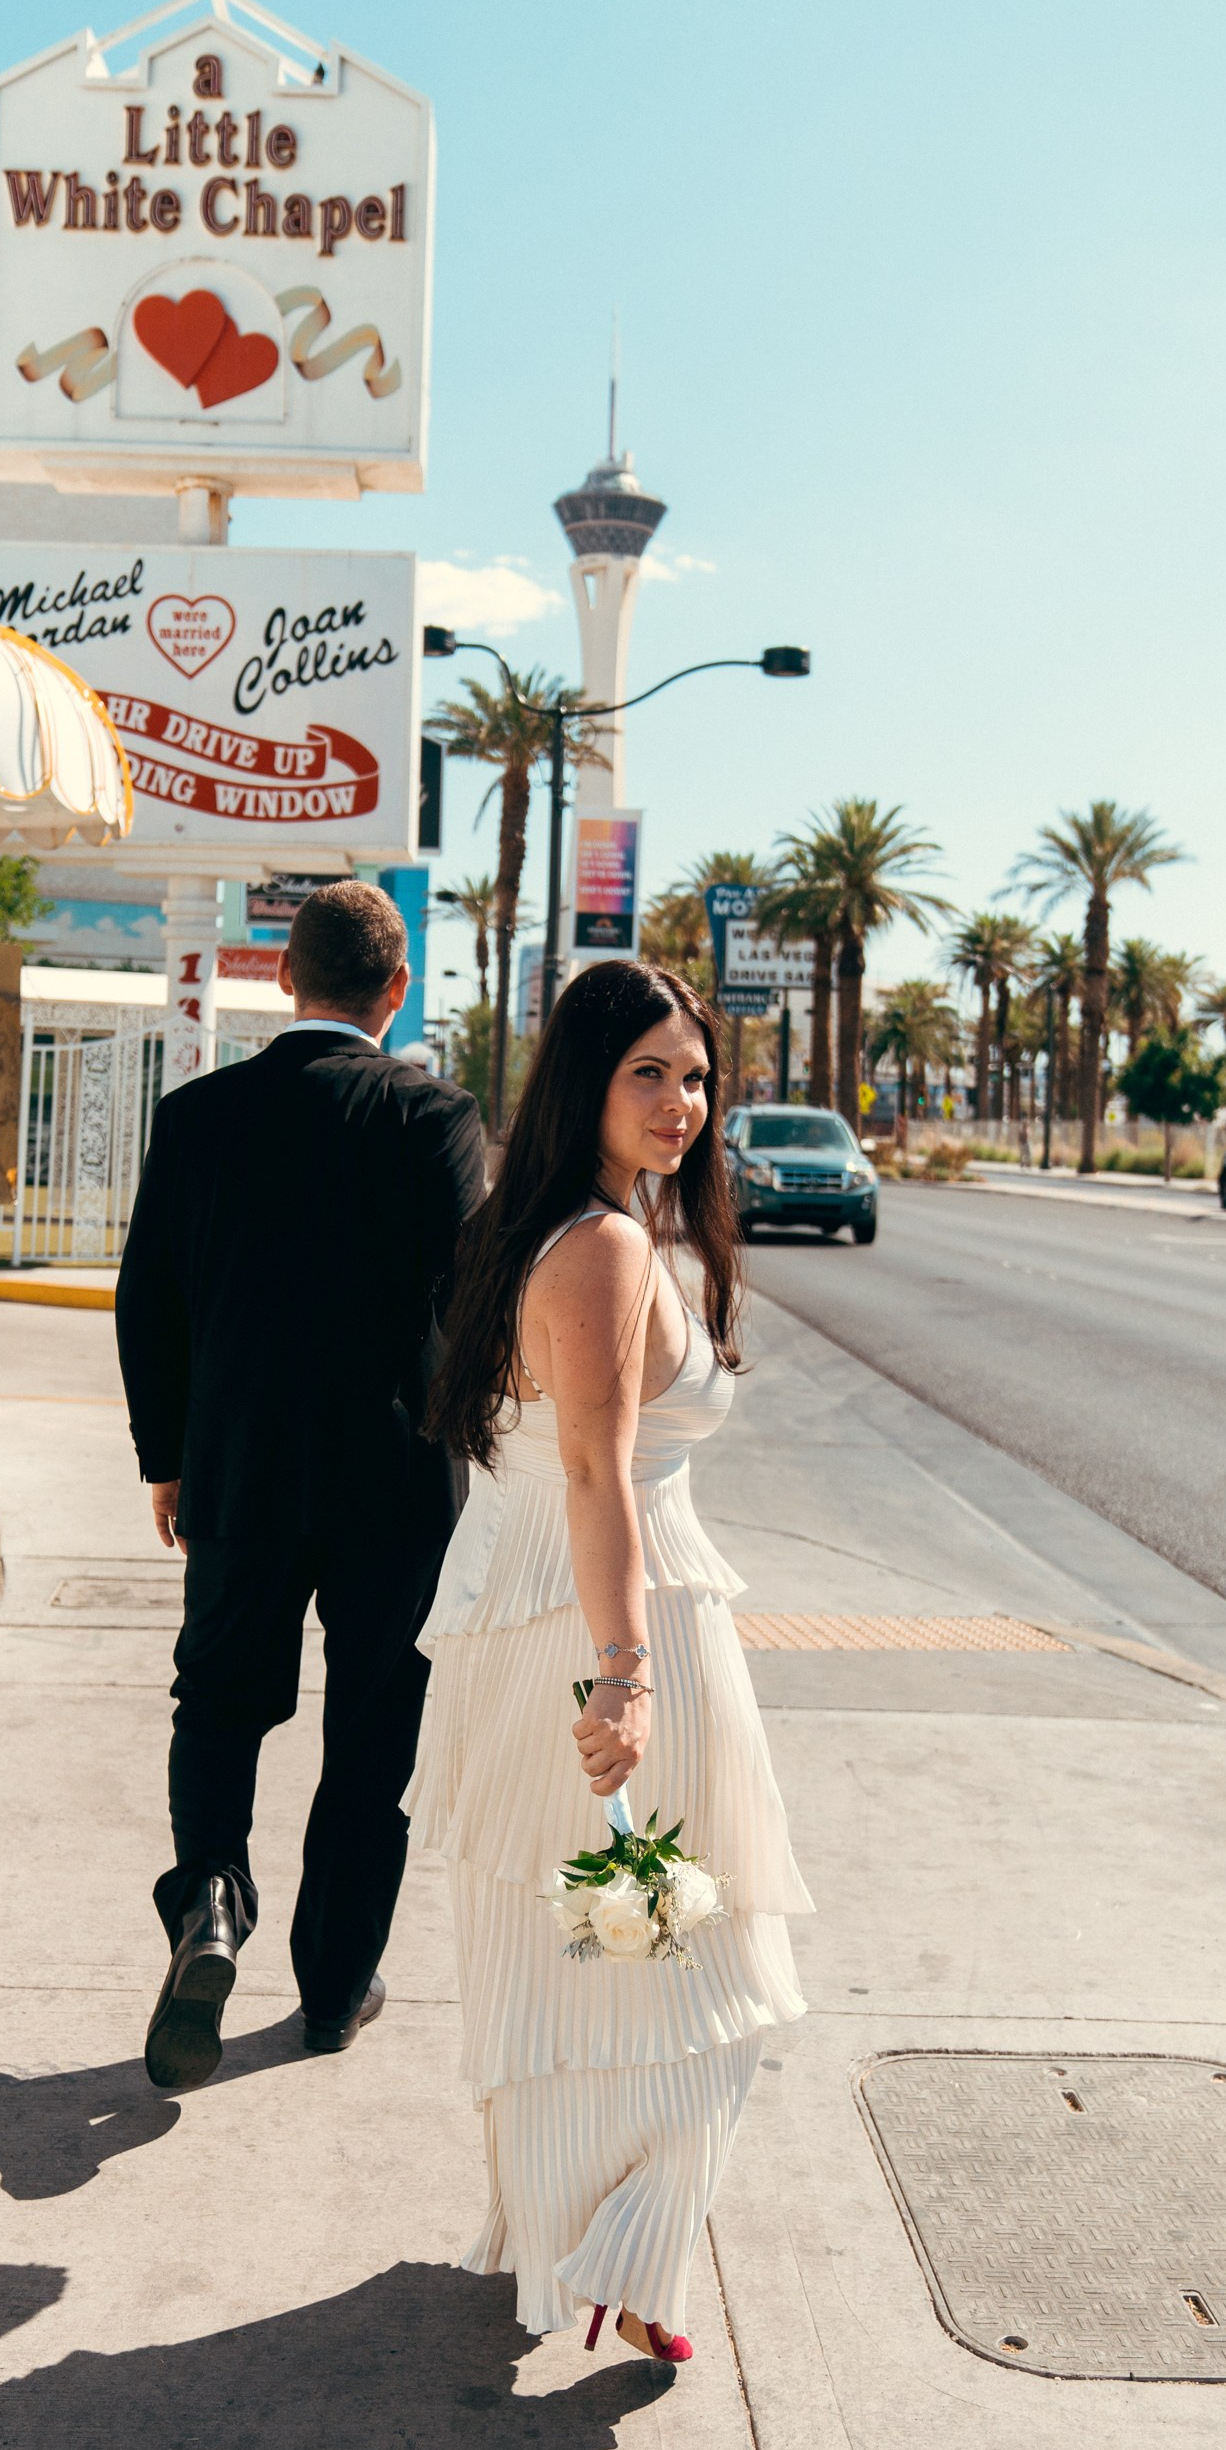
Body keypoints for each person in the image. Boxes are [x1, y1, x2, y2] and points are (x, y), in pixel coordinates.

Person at [411, 959, 809, 2365]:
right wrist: (627, 1675)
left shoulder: (587, 1234)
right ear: (583, 1079)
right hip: (603, 1624)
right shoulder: (604, 1250)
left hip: (552, 1616)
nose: (682, 1102)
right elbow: (593, 1474)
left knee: (601, 1942)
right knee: (693, 1958)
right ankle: (617, 2244)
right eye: (648, 1072)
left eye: (697, 1076)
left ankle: (584, 2238)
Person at [115, 880, 484, 2090]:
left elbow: (147, 1304)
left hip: (242, 1471)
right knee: (372, 1738)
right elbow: (473, 1303)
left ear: (283, 975)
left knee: (218, 1704)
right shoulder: (436, 1120)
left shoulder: (200, 1116)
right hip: (396, 1487)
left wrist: (168, 1458)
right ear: (399, 988)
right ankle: (333, 1990)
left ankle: (211, 1901)